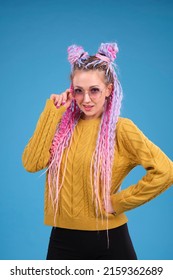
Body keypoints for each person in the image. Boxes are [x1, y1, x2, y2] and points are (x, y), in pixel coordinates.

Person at [22, 43, 173, 260]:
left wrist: (119, 202)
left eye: (94, 90)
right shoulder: (61, 127)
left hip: (110, 239)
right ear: (71, 91)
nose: (86, 99)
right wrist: (51, 113)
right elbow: (31, 163)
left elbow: (166, 171)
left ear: (109, 90)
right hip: (62, 239)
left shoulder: (121, 129)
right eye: (78, 91)